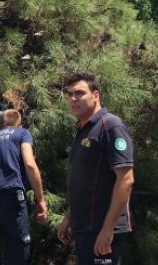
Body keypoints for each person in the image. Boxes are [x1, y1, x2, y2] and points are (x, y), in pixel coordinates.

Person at [57, 72, 134, 265]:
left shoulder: (110, 126)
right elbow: (82, 182)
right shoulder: (84, 129)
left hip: (102, 229)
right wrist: (69, 218)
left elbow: (126, 179)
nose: (73, 99)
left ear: (96, 95)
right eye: (69, 94)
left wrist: (108, 230)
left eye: (79, 93)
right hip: (85, 227)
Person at [0, 112, 48, 264]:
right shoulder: (22, 134)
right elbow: (30, 165)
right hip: (12, 198)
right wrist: (41, 200)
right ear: (19, 125)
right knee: (19, 250)